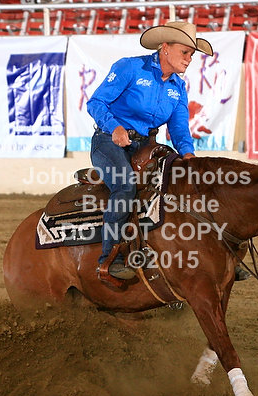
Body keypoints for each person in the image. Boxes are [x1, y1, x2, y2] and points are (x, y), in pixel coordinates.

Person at [87, 21, 213, 280]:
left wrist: (188, 155)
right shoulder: (130, 68)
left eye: (191, 54)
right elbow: (96, 102)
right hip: (108, 142)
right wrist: (114, 127)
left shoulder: (178, 87)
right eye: (185, 52)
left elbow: (179, 129)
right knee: (125, 185)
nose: (189, 59)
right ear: (165, 48)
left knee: (185, 183)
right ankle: (110, 258)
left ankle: (209, 253)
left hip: (146, 148)